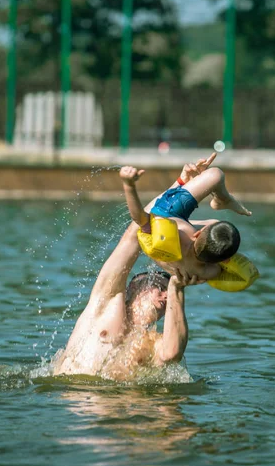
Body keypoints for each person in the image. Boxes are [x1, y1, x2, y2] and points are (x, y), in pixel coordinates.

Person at [53, 163, 205, 382]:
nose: (164, 297)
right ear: (133, 287)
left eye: (167, 293)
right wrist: (180, 185)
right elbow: (134, 235)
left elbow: (172, 354)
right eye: (159, 288)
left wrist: (176, 289)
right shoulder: (105, 303)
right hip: (77, 407)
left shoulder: (152, 342)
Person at [120, 152, 252, 283]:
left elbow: (139, 218)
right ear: (224, 260)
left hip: (164, 217)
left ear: (197, 234)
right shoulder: (205, 272)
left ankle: (223, 199)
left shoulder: (171, 235)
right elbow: (220, 269)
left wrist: (129, 185)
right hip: (171, 253)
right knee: (217, 231)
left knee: (215, 175)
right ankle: (215, 201)